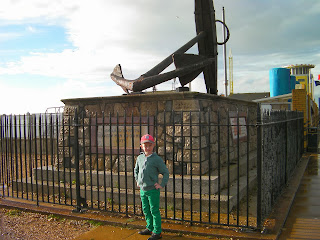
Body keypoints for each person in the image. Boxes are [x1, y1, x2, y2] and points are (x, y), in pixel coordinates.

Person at [134, 134, 169, 240]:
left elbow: (165, 172)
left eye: (149, 145)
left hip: (153, 190)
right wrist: (137, 180)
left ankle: (157, 232)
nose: (147, 148)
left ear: (153, 146)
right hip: (143, 190)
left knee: (154, 210)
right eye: (145, 145)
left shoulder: (156, 159)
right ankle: (149, 227)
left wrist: (161, 184)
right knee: (146, 210)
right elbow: (136, 170)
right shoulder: (139, 158)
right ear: (141, 146)